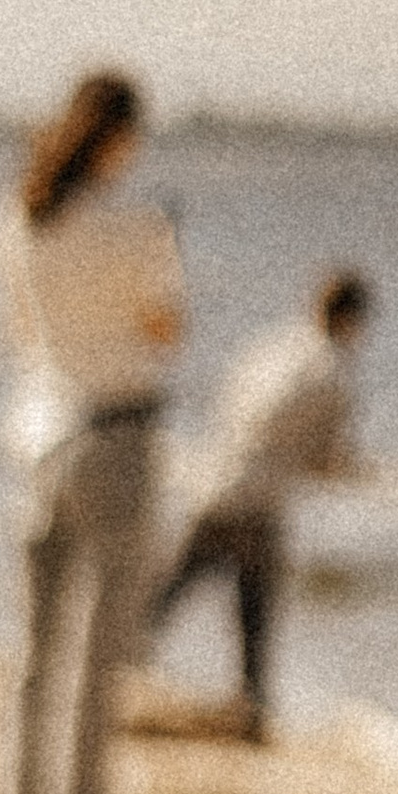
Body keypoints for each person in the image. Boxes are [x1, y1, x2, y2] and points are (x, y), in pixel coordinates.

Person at [0, 69, 186, 794]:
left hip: (40, 431)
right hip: (116, 432)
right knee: (99, 648)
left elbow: (24, 334)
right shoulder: (137, 226)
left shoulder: (17, 221)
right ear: (117, 136)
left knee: (36, 645)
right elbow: (167, 330)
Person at [150, 267, 372, 732]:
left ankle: (114, 662)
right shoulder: (333, 370)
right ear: (353, 318)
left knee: (175, 587)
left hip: (216, 477)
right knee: (254, 603)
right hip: (258, 496)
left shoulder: (273, 347)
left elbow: (229, 404)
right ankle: (251, 706)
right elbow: (328, 457)